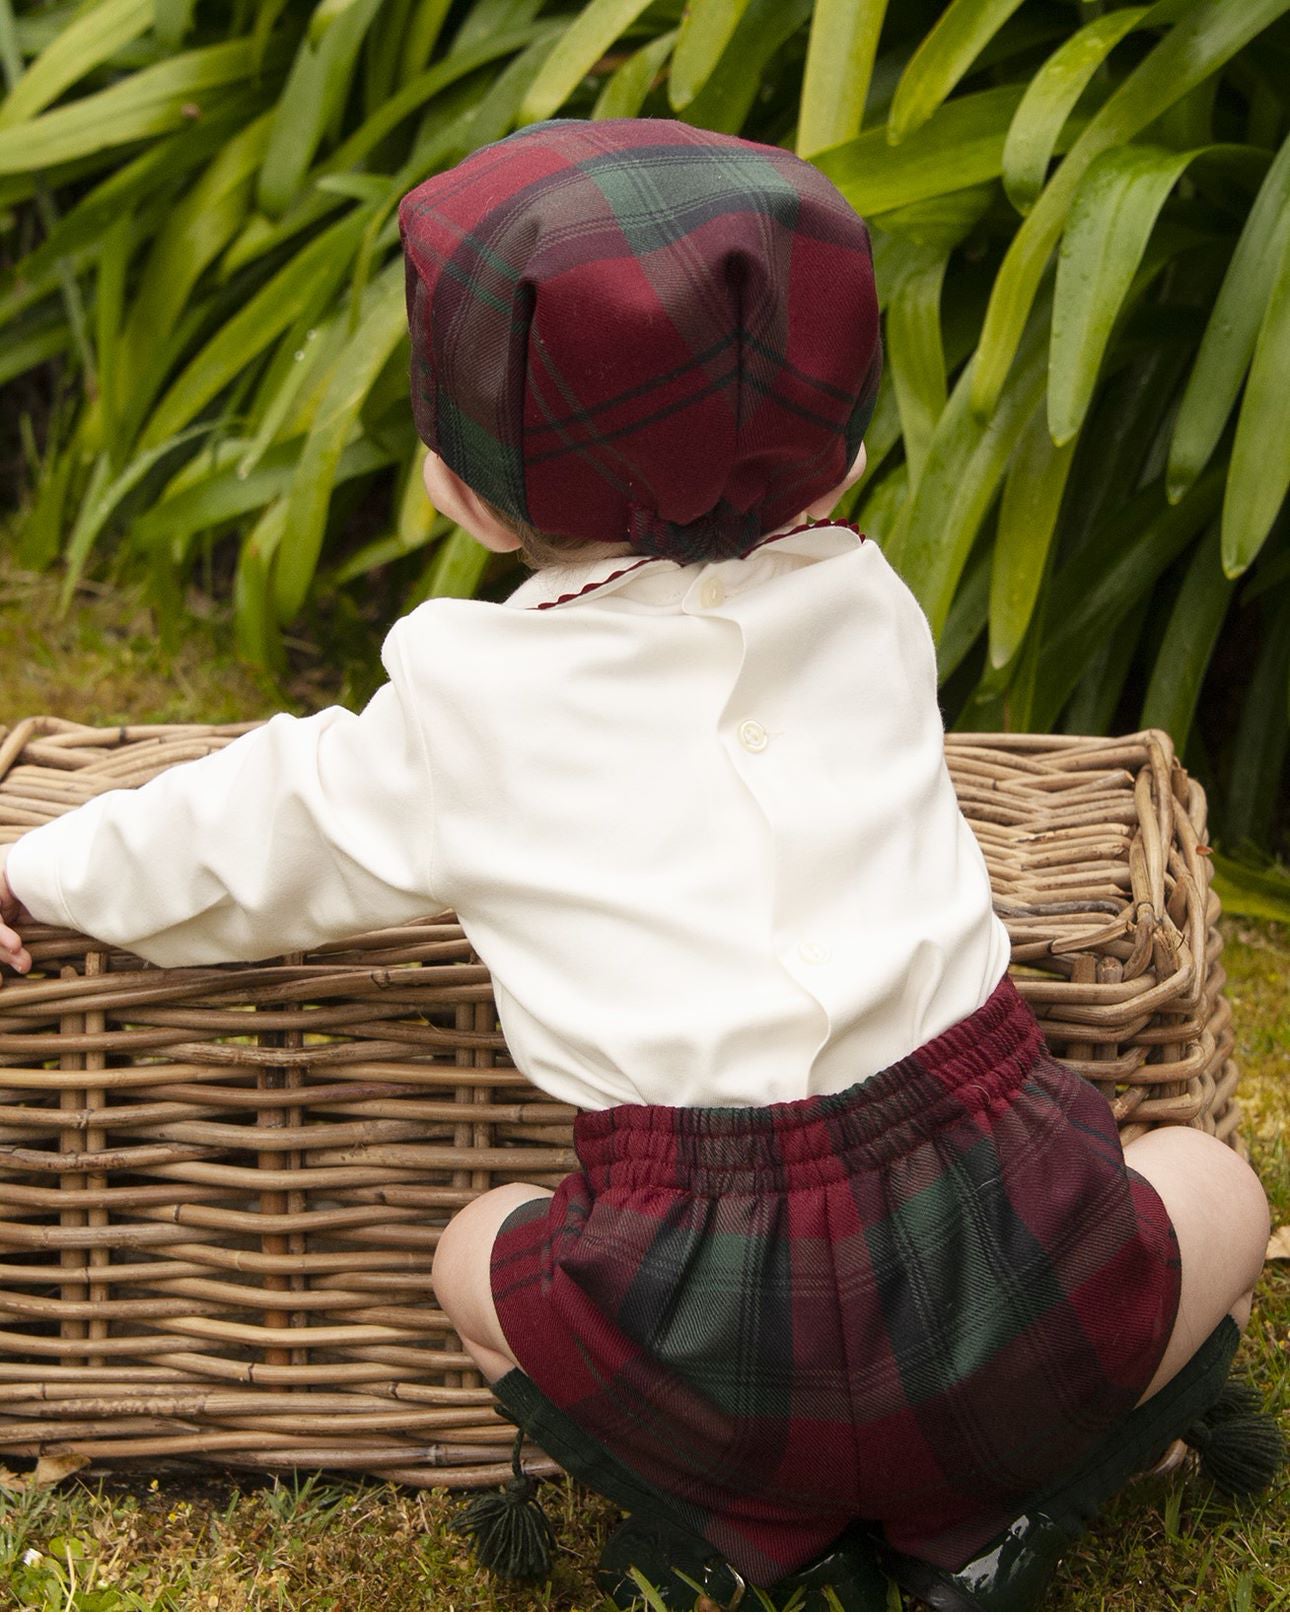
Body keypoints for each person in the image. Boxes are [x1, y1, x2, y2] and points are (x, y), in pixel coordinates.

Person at [0, 119, 1273, 1608]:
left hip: (699, 1327)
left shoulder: (464, 714)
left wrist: (32, 873)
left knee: (478, 1251)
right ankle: (982, 1528)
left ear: (459, 490)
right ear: (842, 453)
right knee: (1209, 1182)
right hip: (1014, 1256)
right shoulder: (868, 611)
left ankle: (748, 1539)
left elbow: (246, 832)